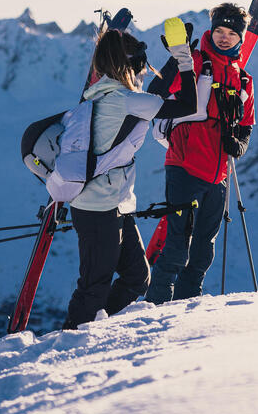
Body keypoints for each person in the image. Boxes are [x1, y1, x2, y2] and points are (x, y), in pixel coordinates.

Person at [62, 18, 197, 329]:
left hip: (116, 204)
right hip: (97, 208)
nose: (140, 73)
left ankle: (95, 324)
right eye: (139, 66)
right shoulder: (122, 100)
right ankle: (70, 340)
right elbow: (187, 104)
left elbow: (156, 94)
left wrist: (175, 58)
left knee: (137, 277)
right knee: (93, 287)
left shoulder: (107, 95)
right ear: (128, 65)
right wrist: (183, 59)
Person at [145, 3, 255, 305]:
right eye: (219, 30)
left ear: (240, 38)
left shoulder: (243, 79)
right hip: (184, 166)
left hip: (218, 175)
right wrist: (177, 59)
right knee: (177, 246)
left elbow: (245, 123)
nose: (223, 37)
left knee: (204, 251)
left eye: (231, 33)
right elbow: (155, 93)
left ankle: (186, 311)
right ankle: (154, 309)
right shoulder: (196, 61)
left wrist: (241, 145)